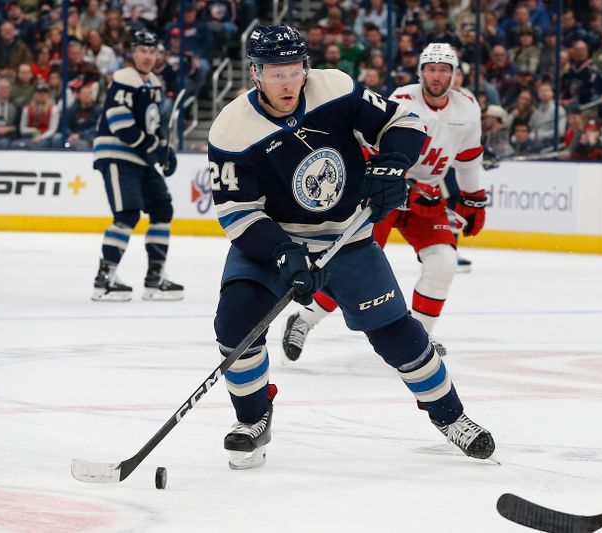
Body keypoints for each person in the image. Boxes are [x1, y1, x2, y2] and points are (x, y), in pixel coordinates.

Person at [207, 26, 495, 470]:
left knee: (397, 335)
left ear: (305, 67)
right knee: (235, 323)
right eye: (274, 73)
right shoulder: (231, 129)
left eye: (294, 70)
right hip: (272, 241)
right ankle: (253, 418)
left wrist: (391, 165)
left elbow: (403, 122)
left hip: (348, 235)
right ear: (255, 73)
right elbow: (239, 213)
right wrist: (284, 253)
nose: (287, 83)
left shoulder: (335, 87)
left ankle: (451, 416)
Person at [282, 42, 487, 360]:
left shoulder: (469, 108)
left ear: (455, 74)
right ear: (420, 72)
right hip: (383, 195)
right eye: (431, 69)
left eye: (444, 70)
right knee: (351, 270)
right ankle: (303, 320)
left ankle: (417, 339)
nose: (437, 76)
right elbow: (373, 146)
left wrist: (474, 198)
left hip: (426, 199)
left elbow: (469, 159)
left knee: (444, 264)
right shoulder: (403, 99)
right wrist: (394, 180)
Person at [90, 30, 183, 302]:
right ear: (132, 53)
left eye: (152, 51)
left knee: (162, 208)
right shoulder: (123, 79)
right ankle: (104, 280)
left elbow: (151, 124)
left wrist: (164, 149)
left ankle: (155, 277)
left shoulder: (152, 84)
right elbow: (120, 123)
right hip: (117, 153)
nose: (148, 56)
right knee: (127, 214)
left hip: (139, 157)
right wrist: (153, 147)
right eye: (143, 50)